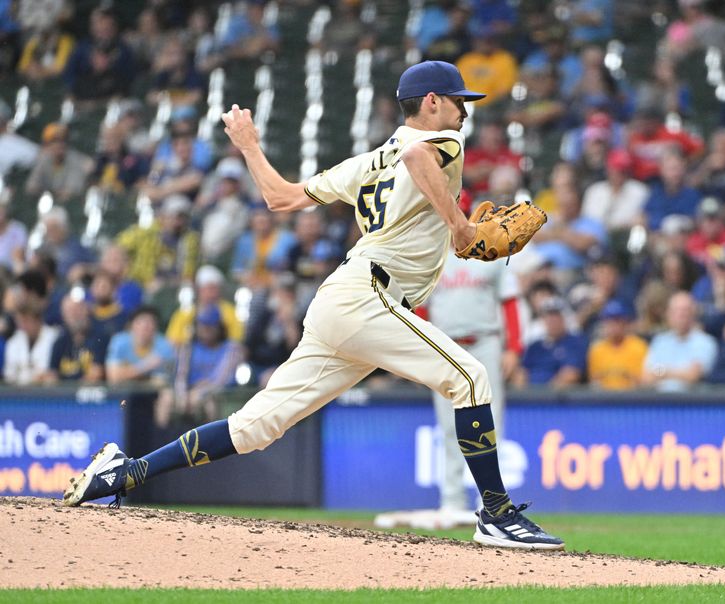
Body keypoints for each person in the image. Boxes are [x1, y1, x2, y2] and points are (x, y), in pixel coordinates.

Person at [63, 61, 564, 550]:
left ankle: (121, 474)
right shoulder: (439, 142)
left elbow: (280, 198)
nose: (465, 111)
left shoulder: (363, 164)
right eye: (458, 101)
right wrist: (459, 226)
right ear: (430, 102)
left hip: (344, 302)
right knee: (470, 378)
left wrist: (249, 146)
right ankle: (497, 515)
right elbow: (416, 160)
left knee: (255, 427)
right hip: (368, 296)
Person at [424, 242, 523, 521]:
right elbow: (420, 305)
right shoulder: (433, 254)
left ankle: (492, 502)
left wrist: (513, 348)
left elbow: (510, 300)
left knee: (492, 423)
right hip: (444, 344)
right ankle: (452, 500)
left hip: (485, 343)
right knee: (447, 426)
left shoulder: (492, 253)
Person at [641, 291, 718, 391]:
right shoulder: (660, 341)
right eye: (676, 311)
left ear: (693, 313)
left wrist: (662, 372)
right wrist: (678, 372)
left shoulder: (705, 342)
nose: (681, 315)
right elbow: (646, 376)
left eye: (685, 310)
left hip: (692, 402)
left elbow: (692, 375)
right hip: (661, 401)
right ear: (668, 314)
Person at [105, 305, 175, 386]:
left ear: (156, 327)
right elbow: (113, 377)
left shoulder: (165, 346)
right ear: (131, 325)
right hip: (124, 391)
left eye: (150, 323)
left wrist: (127, 373)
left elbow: (163, 382)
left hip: (153, 394)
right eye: (140, 322)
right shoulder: (119, 341)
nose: (144, 327)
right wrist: (146, 366)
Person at [587, 299, 648, 390]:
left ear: (625, 323)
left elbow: (643, 381)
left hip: (632, 399)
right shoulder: (597, 350)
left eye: (617, 321)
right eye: (609, 321)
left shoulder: (639, 347)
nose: (613, 325)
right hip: (604, 399)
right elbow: (595, 382)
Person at [3, 301, 59, 385]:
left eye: (26, 321)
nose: (23, 326)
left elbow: (51, 372)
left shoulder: (54, 338)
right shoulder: (14, 341)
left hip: (46, 393)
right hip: (17, 393)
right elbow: (9, 374)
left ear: (38, 320)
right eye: (20, 321)